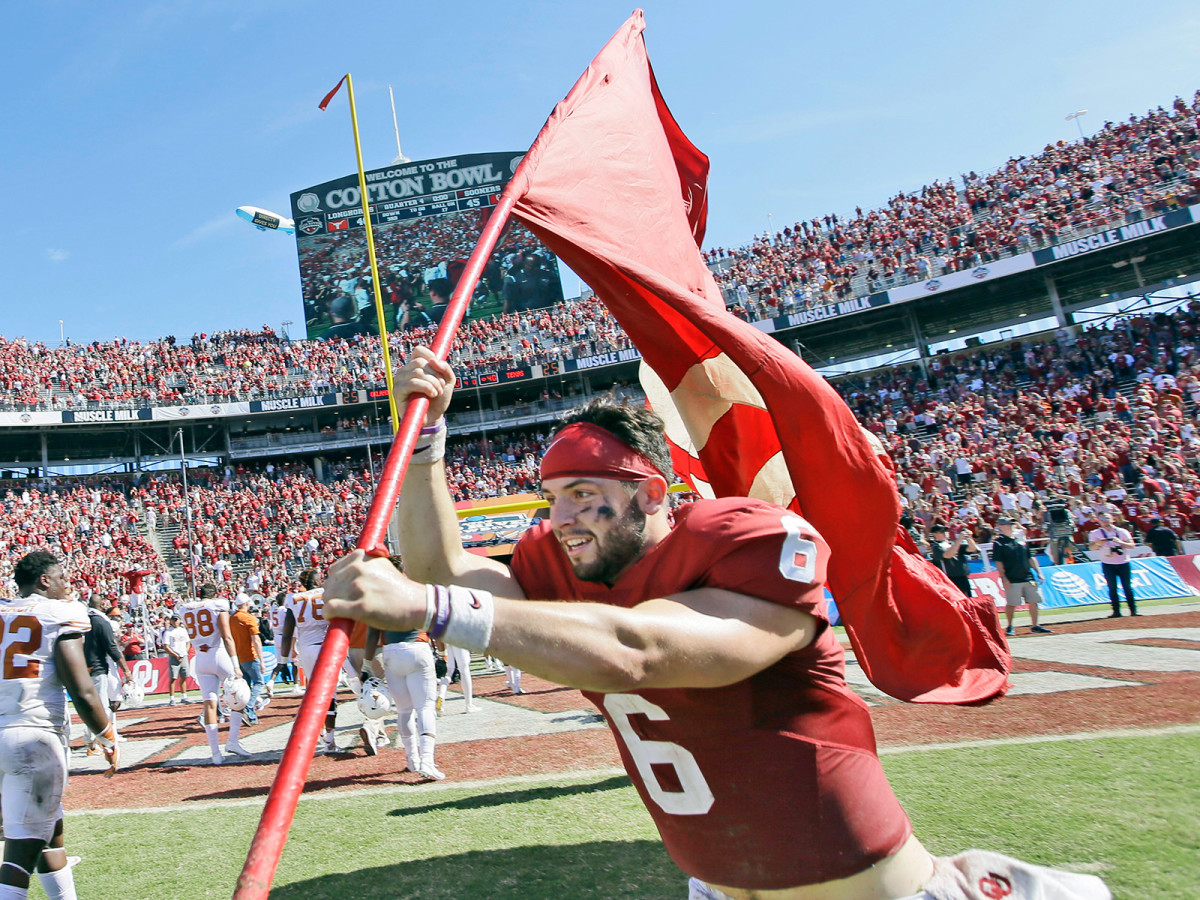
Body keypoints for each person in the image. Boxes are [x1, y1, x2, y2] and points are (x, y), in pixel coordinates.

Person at [322, 348, 1107, 900]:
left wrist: (427, 610)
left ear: (652, 494)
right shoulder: (568, 561)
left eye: (583, 492)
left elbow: (642, 651)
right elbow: (440, 569)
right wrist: (423, 444)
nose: (560, 517)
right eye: (552, 496)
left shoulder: (744, 540)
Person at [1, 551, 118, 900]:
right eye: (63, 577)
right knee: (18, 855)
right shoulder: (61, 613)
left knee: (50, 834)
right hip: (34, 737)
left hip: (2, 735)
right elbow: (81, 688)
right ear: (44, 581)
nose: (68, 585)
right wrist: (107, 735)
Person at [363, 557, 440, 777]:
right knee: (425, 707)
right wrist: (442, 655)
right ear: (404, 570)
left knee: (404, 710)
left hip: (391, 652)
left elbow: (372, 636)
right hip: (417, 647)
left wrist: (367, 665)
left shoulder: (377, 598)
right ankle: (427, 760)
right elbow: (435, 625)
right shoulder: (418, 591)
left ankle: (412, 760)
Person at [178, 583, 240, 765]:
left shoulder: (185, 609)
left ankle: (215, 754)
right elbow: (227, 636)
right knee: (239, 697)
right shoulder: (217, 605)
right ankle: (233, 741)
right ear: (214, 595)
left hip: (200, 658)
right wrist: (236, 664)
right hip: (218, 653)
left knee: (210, 705)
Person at [280, 569, 338, 753]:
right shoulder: (326, 593)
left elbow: (287, 633)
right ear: (318, 581)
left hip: (307, 649)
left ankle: (318, 732)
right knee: (331, 693)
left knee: (314, 693)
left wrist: (283, 661)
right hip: (327, 646)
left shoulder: (293, 598)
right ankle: (330, 740)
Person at [81, 595, 131, 754]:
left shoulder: (81, 619)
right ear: (103, 606)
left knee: (92, 706)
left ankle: (95, 742)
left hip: (83, 667)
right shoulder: (102, 622)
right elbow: (112, 647)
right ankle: (99, 743)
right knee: (100, 707)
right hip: (98, 667)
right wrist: (127, 670)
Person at [991, 517, 1053, 637]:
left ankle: (1035, 625)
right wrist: (1003, 577)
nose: (1011, 526)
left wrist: (1038, 571)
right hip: (1012, 576)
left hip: (1027, 576)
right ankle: (1010, 625)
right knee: (1012, 603)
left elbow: (1030, 557)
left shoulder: (1021, 540)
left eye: (1011, 524)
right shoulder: (999, 542)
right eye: (1008, 524)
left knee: (1034, 600)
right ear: (1002, 526)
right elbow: (998, 561)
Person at [1089, 512, 1138, 618]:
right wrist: (1099, 543)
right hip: (1108, 563)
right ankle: (1116, 611)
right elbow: (1091, 548)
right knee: (1112, 588)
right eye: (1102, 519)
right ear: (1098, 521)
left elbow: (1132, 545)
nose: (1105, 521)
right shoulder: (1095, 533)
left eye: (1107, 518)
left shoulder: (1121, 531)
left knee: (1127, 587)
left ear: (1112, 519)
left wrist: (1120, 542)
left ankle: (1133, 610)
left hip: (1123, 562)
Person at [229, 595, 265, 727]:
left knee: (246, 687)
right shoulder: (248, 618)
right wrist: (261, 660)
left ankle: (251, 717)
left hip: (238, 657)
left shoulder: (231, 619)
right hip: (250, 655)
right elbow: (256, 640)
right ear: (246, 603)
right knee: (259, 683)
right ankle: (249, 708)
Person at [927, 524, 977, 598]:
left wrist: (969, 538)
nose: (945, 533)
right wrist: (959, 540)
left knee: (968, 598)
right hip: (950, 578)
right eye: (942, 532)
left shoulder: (953, 544)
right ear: (935, 534)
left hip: (962, 576)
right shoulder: (936, 546)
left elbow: (973, 549)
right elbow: (948, 555)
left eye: (946, 531)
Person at [162, 614, 191, 705]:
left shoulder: (183, 631)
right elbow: (166, 646)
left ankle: (184, 696)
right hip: (174, 656)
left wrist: (185, 652)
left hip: (183, 655)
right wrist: (175, 655)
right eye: (173, 620)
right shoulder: (168, 632)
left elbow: (188, 643)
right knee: (173, 678)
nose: (175, 622)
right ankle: (172, 698)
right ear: (171, 621)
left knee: (184, 676)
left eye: (177, 620)